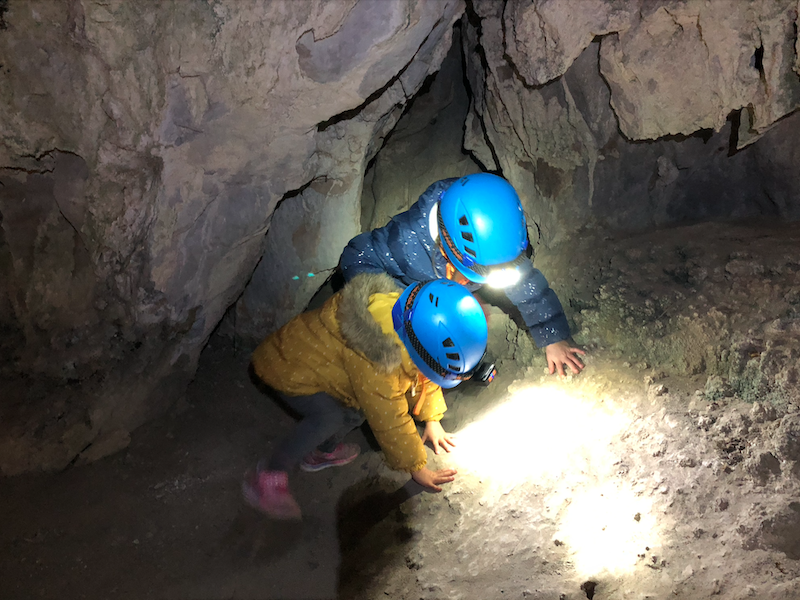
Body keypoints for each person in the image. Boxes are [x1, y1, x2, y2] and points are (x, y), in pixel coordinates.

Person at [245, 274, 488, 519]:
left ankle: (322, 451)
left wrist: (432, 419)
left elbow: (422, 373)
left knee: (354, 411)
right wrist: (417, 467)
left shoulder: (410, 319)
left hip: (323, 365)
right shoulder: (381, 361)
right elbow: (389, 420)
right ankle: (268, 476)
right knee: (328, 418)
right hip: (287, 366)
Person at [340, 172, 585, 377]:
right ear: (449, 248)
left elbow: (528, 286)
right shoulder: (406, 241)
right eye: (479, 271)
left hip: (447, 289)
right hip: (414, 293)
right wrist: (395, 304)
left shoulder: (497, 233)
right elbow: (357, 255)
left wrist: (554, 337)